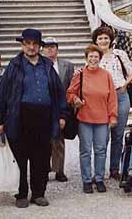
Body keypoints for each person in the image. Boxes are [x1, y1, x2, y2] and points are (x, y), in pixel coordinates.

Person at [0, 29, 69, 208]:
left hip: (44, 117)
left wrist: (63, 115)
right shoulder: (15, 65)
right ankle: (21, 194)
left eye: (35, 44)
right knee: (20, 157)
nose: (31, 47)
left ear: (39, 46)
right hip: (20, 117)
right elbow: (2, 94)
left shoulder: (47, 66)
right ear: (22, 45)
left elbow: (59, 92)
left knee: (41, 157)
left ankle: (38, 193)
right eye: (28, 43)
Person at [66, 44, 118, 194]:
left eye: (96, 57)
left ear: (100, 59)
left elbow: (112, 98)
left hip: (102, 119)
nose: (93, 59)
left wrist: (113, 116)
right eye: (91, 56)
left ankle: (99, 178)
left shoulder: (106, 75)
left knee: (101, 150)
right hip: (85, 118)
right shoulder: (80, 74)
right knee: (85, 150)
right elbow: (69, 93)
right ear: (86, 58)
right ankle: (87, 180)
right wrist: (75, 99)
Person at [92, 26, 132, 181]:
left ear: (110, 39)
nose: (103, 41)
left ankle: (114, 169)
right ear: (96, 41)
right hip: (102, 99)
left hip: (120, 95)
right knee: (102, 136)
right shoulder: (94, 56)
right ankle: (99, 171)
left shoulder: (119, 54)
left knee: (118, 135)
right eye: (100, 38)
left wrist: (124, 85)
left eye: (106, 38)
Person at [41, 37, 74, 182]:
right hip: (43, 108)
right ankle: (44, 168)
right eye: (47, 47)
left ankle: (59, 170)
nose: (49, 49)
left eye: (52, 47)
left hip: (60, 107)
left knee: (59, 140)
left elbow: (71, 87)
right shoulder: (38, 65)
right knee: (42, 140)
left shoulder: (67, 65)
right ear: (42, 49)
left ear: (57, 49)